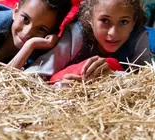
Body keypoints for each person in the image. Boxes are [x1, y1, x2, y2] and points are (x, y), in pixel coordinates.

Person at [24, 0, 155, 83]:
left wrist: (114, 76)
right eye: (104, 20)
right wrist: (58, 85)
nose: (113, 33)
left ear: (133, 23)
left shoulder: (139, 38)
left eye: (124, 22)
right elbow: (32, 76)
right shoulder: (76, 36)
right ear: (90, 20)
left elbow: (145, 81)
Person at [0, 0, 71, 75]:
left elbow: (4, 82)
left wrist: (30, 46)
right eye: (25, 19)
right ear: (15, 11)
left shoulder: (38, 53)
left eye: (41, 29)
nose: (27, 33)